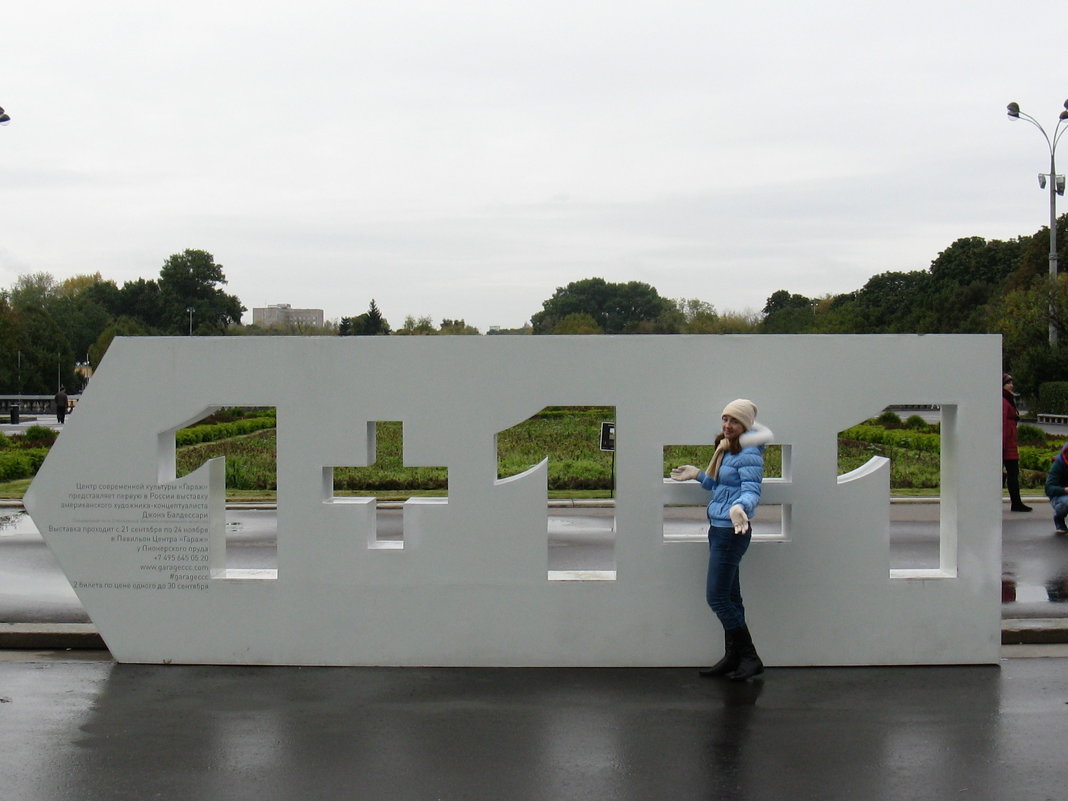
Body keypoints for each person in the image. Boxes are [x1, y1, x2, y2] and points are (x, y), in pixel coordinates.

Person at [671, 399, 773, 681]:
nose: (728, 426)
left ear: (746, 426)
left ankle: (750, 657)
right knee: (730, 596)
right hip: (719, 527)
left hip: (732, 530)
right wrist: (699, 475)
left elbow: (751, 490)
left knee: (716, 597)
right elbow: (722, 485)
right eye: (725, 419)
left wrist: (742, 507)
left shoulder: (749, 452)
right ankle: (733, 657)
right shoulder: (728, 449)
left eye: (734, 421)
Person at [1002, 374, 1031, 512]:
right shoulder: (1003, 400)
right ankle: (1016, 502)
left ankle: (1016, 502)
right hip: (1006, 444)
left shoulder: (1007, 399)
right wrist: (1001, 446)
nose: (1011, 385)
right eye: (1008, 383)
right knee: (1012, 473)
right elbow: (1002, 424)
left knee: (1013, 473)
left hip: (1009, 443)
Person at [1045, 442, 1068, 534]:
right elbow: (1049, 488)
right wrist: (1065, 490)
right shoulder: (1058, 464)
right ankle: (1059, 518)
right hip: (1059, 496)